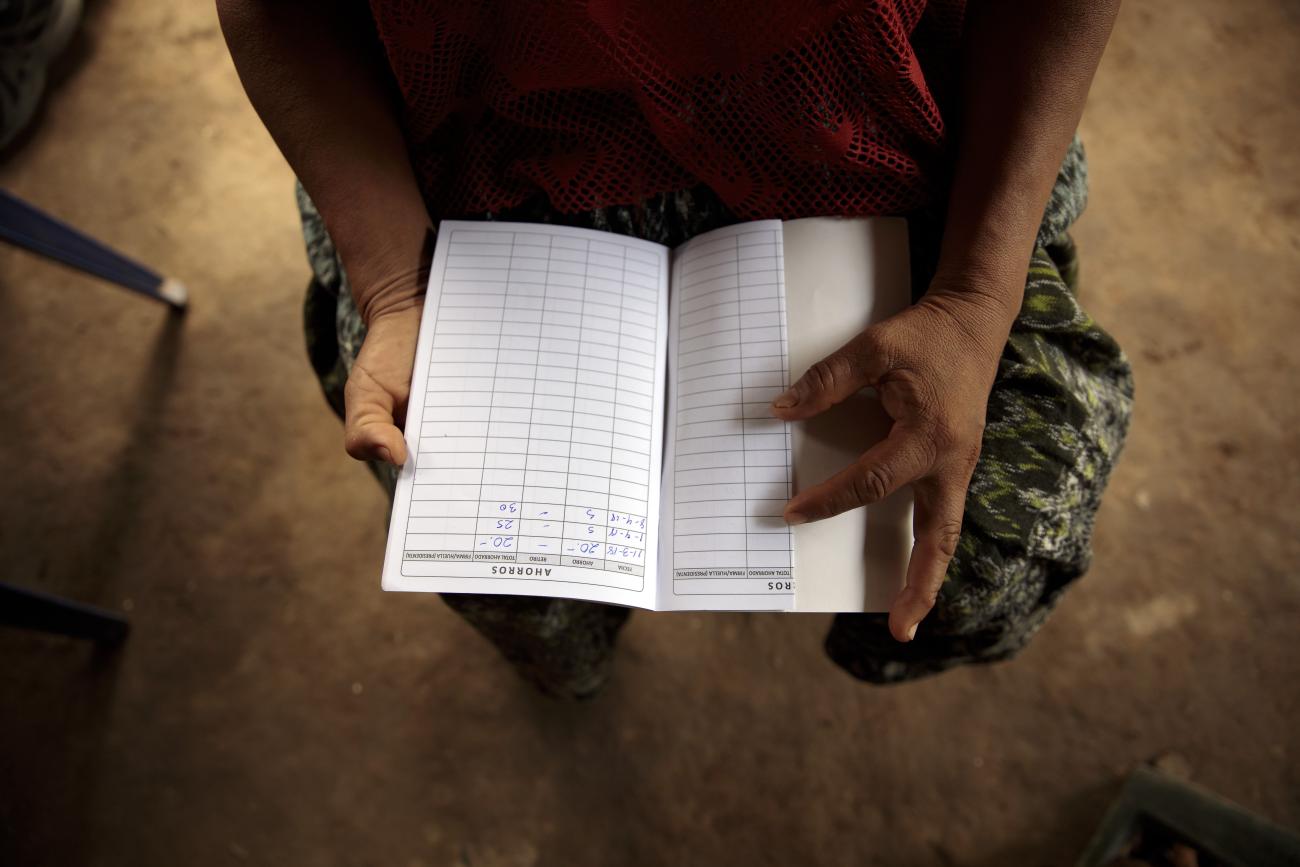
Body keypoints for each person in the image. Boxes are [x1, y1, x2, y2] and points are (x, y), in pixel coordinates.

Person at [217, 0, 1134, 697]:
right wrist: (397, 286)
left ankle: (872, 641)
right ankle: (576, 658)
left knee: (991, 548)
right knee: (491, 552)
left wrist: (977, 295)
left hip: (874, 127)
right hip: (473, 157)